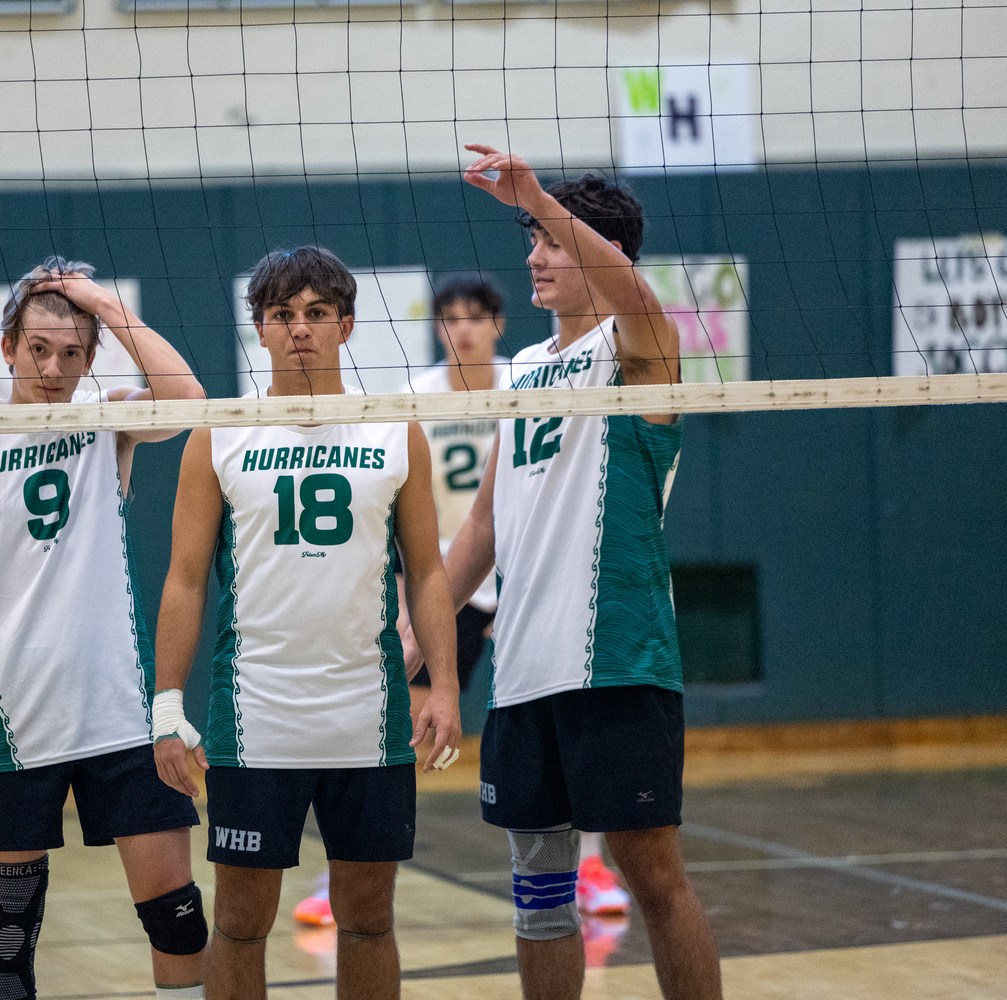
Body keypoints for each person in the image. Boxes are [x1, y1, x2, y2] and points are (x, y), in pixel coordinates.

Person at [417, 149, 722, 1000]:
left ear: (597, 250)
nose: (534, 258)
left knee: (653, 878)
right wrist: (419, 627)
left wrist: (539, 197)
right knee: (540, 894)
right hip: (523, 670)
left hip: (618, 659)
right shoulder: (521, 373)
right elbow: (483, 522)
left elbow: (632, 294)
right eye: (531, 240)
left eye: (548, 242)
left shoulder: (641, 351)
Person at [0, 257, 210, 1000]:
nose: (54, 368)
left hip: (123, 717)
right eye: (38, 348)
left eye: (72, 353)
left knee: (179, 922)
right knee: (5, 948)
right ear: (7, 347)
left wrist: (101, 302)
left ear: (91, 357)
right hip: (12, 718)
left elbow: (188, 400)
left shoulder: (106, 420)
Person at [150, 246, 464, 1000]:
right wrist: (166, 706)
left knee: (367, 916)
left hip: (368, 713)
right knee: (241, 920)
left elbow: (425, 570)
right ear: (258, 329)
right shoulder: (218, 434)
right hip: (258, 717)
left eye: (316, 314)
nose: (299, 329)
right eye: (282, 315)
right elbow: (185, 580)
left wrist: (445, 686)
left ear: (346, 325)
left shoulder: (397, 431)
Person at [292, 275, 512, 929]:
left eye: (476, 316)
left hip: (527, 574)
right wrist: (399, 581)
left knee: (558, 725)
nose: (463, 329)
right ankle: (343, 870)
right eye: (450, 317)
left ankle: (588, 866)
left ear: (498, 324)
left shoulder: (526, 385)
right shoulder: (414, 399)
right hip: (448, 579)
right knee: (402, 727)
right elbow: (395, 499)